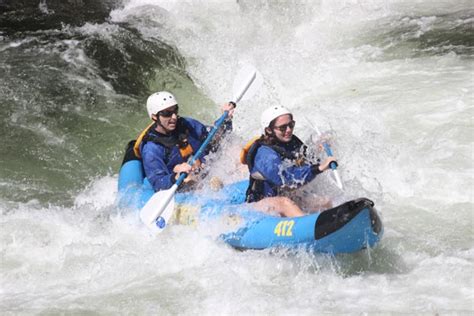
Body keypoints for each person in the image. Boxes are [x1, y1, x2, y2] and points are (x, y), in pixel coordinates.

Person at [240, 105, 336, 217]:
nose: (289, 130)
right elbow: (285, 179)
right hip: (260, 205)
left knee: (324, 202)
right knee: (285, 203)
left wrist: (318, 148)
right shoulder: (264, 154)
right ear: (269, 130)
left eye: (291, 125)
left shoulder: (291, 142)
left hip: (286, 196)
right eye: (282, 128)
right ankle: (305, 230)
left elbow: (306, 161)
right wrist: (319, 168)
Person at [133, 91, 235, 192]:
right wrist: (176, 177)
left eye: (175, 111)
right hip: (186, 183)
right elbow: (158, 182)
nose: (173, 117)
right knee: (188, 177)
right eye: (167, 113)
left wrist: (225, 120)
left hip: (205, 168)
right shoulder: (151, 149)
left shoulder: (187, 124)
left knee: (234, 151)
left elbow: (213, 138)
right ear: (154, 117)